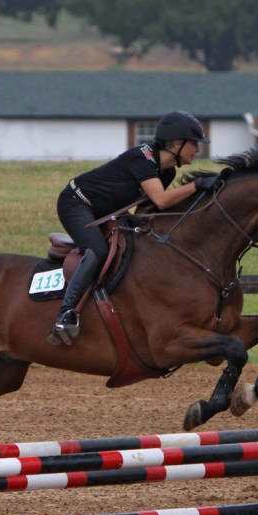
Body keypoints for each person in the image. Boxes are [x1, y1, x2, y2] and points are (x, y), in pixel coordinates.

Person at [47, 110, 220, 346]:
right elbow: (161, 200)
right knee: (97, 251)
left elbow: (147, 210)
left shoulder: (166, 171)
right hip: (76, 203)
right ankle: (66, 313)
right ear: (177, 144)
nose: (198, 150)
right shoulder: (143, 159)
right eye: (194, 144)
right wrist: (196, 186)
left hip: (109, 210)